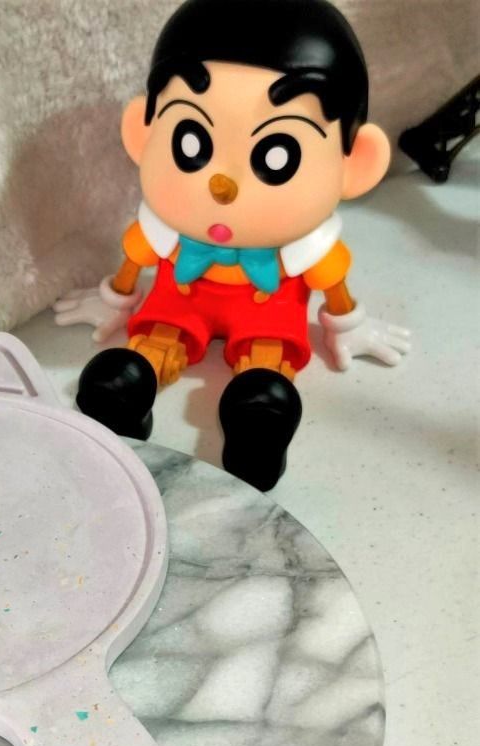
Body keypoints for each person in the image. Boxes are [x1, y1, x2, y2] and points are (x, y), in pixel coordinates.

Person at [54, 0, 410, 491]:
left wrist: (350, 327)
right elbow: (131, 268)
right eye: (191, 142)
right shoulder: (159, 232)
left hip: (269, 313)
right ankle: (122, 401)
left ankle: (255, 432)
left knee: (264, 377)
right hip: (177, 303)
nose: (223, 186)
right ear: (143, 133)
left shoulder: (308, 250)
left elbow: (336, 291)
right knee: (140, 357)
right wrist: (113, 300)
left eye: (277, 154)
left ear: (355, 164)